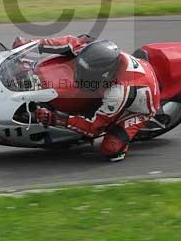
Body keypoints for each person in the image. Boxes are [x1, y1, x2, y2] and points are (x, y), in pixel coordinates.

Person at [11, 34, 161, 161]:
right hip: (129, 78)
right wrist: (28, 45)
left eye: (85, 73)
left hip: (141, 107)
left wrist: (55, 119)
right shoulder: (93, 51)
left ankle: (122, 144)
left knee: (111, 149)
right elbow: (69, 42)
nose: (78, 73)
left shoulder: (118, 92)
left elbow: (93, 128)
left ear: (103, 75)